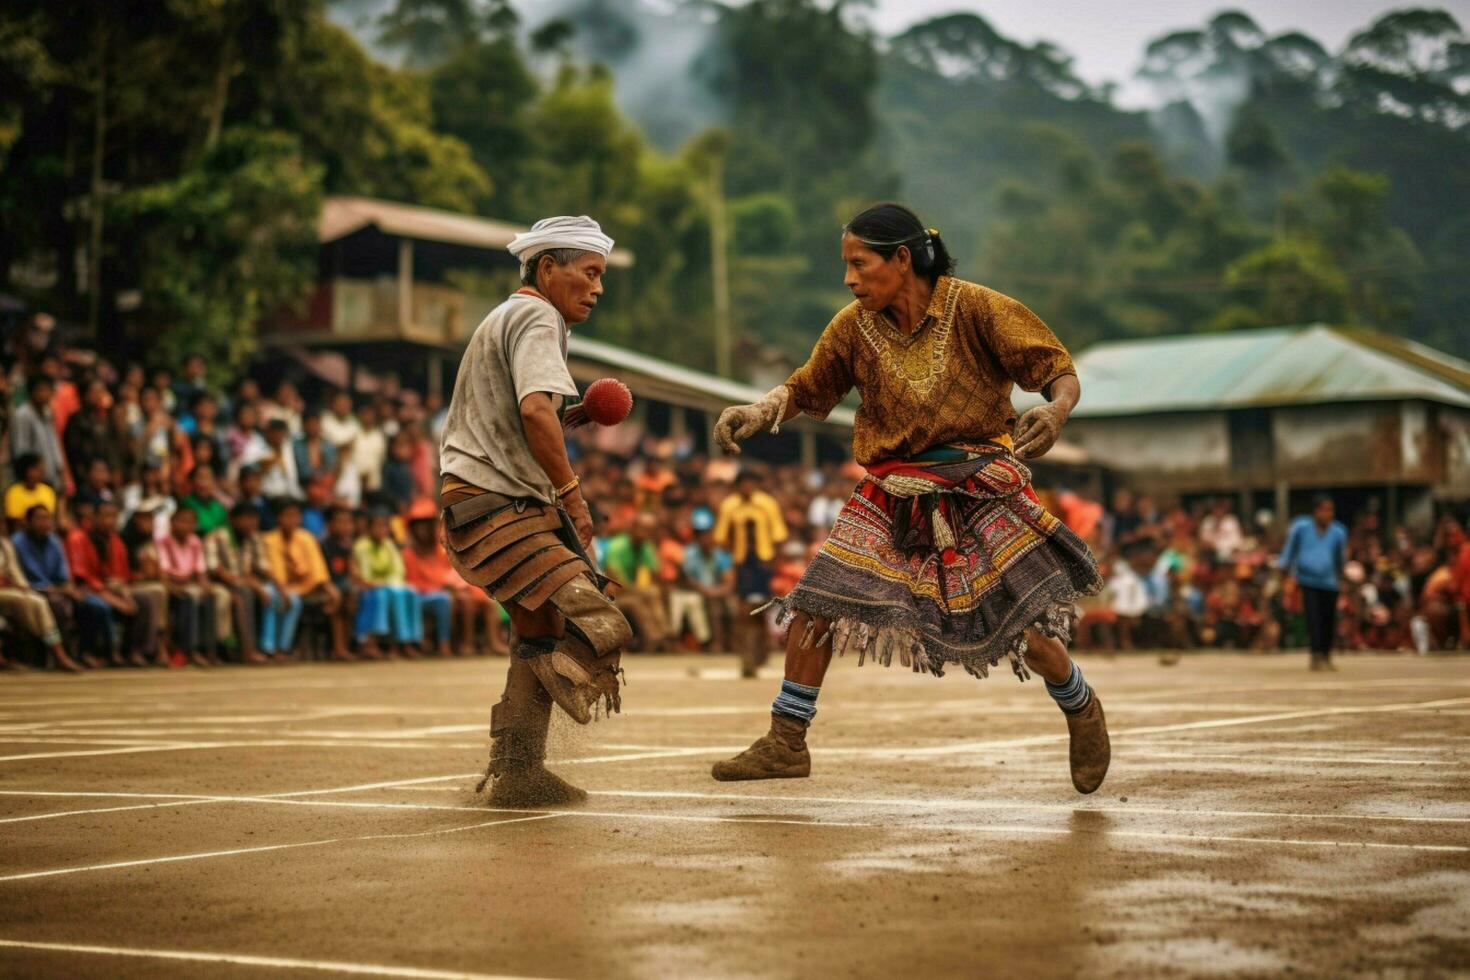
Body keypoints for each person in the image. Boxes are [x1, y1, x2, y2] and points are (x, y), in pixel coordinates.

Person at [710, 202, 1108, 793]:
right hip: (889, 487)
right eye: (845, 265)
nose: (849, 279)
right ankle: (786, 740)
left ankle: (1079, 704)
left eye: (858, 264)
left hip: (977, 480)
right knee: (818, 598)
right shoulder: (850, 326)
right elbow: (806, 386)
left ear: (902, 259)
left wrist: (1056, 408)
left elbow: (1055, 367)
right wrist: (760, 409)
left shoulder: (976, 306)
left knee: (1021, 620)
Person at [439, 214, 632, 807]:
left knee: (541, 624)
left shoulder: (511, 315)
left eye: (602, 276)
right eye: (590, 273)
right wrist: (573, 495)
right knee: (591, 615)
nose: (598, 288)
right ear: (548, 269)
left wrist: (561, 418)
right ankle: (520, 764)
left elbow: (524, 415)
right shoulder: (536, 314)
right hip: (495, 504)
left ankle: (517, 771)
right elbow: (533, 413)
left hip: (485, 499)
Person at [715, 470, 789, 677]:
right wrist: (730, 561)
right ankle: (747, 658)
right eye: (743, 484)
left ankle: (760, 652)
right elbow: (721, 537)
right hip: (742, 563)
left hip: (763, 562)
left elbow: (779, 535)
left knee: (761, 610)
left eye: (751, 483)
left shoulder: (767, 504)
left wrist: (775, 564)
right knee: (745, 611)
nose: (747, 488)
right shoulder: (729, 506)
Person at [264, 498, 345, 660]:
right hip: (277, 586)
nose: (292, 520)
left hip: (303, 587)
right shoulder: (269, 540)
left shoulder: (307, 538)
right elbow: (275, 571)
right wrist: (283, 590)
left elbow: (317, 569)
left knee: (296, 599)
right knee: (275, 598)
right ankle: (269, 646)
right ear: (278, 518)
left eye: (295, 516)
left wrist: (330, 589)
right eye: (287, 516)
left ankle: (284, 648)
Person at [12, 503, 89, 667]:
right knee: (54, 605)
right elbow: (20, 580)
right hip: (29, 590)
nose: (44, 523)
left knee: (85, 603)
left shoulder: (54, 541)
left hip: (55, 590)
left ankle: (81, 653)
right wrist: (58, 590)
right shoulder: (17, 543)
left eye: (47, 519)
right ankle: (59, 654)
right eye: (39, 519)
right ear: (27, 521)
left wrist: (68, 589)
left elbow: (63, 575)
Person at [204, 502, 280, 665]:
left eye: (255, 519)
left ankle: (269, 647)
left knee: (269, 593)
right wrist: (243, 582)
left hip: (243, 582)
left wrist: (279, 587)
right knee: (244, 594)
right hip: (218, 583)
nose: (252, 523)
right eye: (247, 518)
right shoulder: (217, 536)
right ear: (233, 519)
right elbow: (213, 568)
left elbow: (262, 566)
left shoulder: (253, 537)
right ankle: (247, 651)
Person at [1278, 494, 1348, 670]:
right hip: (1307, 580)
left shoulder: (1338, 532)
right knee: (1313, 618)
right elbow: (1290, 550)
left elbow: (1340, 558)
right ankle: (1316, 655)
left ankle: (1326, 654)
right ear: (1315, 511)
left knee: (1329, 619)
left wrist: (1343, 576)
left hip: (1330, 582)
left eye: (1330, 510)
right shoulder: (1301, 527)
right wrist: (1283, 568)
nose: (1327, 514)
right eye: (1324, 509)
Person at [0, 530, 80, 671]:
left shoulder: (5, 544)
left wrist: (22, 586)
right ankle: (55, 651)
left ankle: (58, 652)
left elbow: (15, 572)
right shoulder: (17, 540)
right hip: (4, 591)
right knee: (32, 605)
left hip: (10, 591)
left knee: (39, 602)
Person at [353, 509, 422, 658]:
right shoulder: (361, 546)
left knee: (410, 593)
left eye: (384, 526)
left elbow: (398, 571)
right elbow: (366, 576)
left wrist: (391, 584)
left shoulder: (388, 544)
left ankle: (407, 641)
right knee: (387, 595)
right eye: (377, 526)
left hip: (389, 586)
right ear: (369, 528)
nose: (381, 530)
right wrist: (384, 584)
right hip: (370, 588)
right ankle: (379, 644)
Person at [158, 507, 219, 667]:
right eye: (182, 521)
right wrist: (171, 587)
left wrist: (205, 586)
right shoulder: (163, 541)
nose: (186, 526)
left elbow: (201, 571)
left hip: (189, 582)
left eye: (191, 522)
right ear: (172, 522)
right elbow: (162, 572)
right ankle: (187, 650)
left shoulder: (195, 541)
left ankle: (209, 649)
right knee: (188, 598)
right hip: (171, 583)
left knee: (209, 596)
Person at [402, 501, 457, 657]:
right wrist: (440, 587)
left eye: (427, 525)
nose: (424, 530)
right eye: (419, 525)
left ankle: (449, 643)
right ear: (412, 529)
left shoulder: (440, 551)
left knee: (449, 599)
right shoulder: (409, 554)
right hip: (418, 596)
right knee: (442, 598)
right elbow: (410, 583)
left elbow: (450, 574)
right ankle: (431, 643)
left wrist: (448, 587)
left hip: (440, 594)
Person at [11, 375, 67, 491]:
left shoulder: (47, 412)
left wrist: (60, 468)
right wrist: (30, 472)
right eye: (42, 390)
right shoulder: (22, 414)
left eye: (48, 390)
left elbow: (54, 443)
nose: (45, 394)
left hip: (50, 473)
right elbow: (21, 448)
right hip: (32, 478)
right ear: (32, 392)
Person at [5, 453, 57, 529]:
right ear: (28, 470)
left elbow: (51, 518)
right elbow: (16, 522)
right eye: (38, 469)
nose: (42, 472)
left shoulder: (48, 491)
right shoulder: (13, 492)